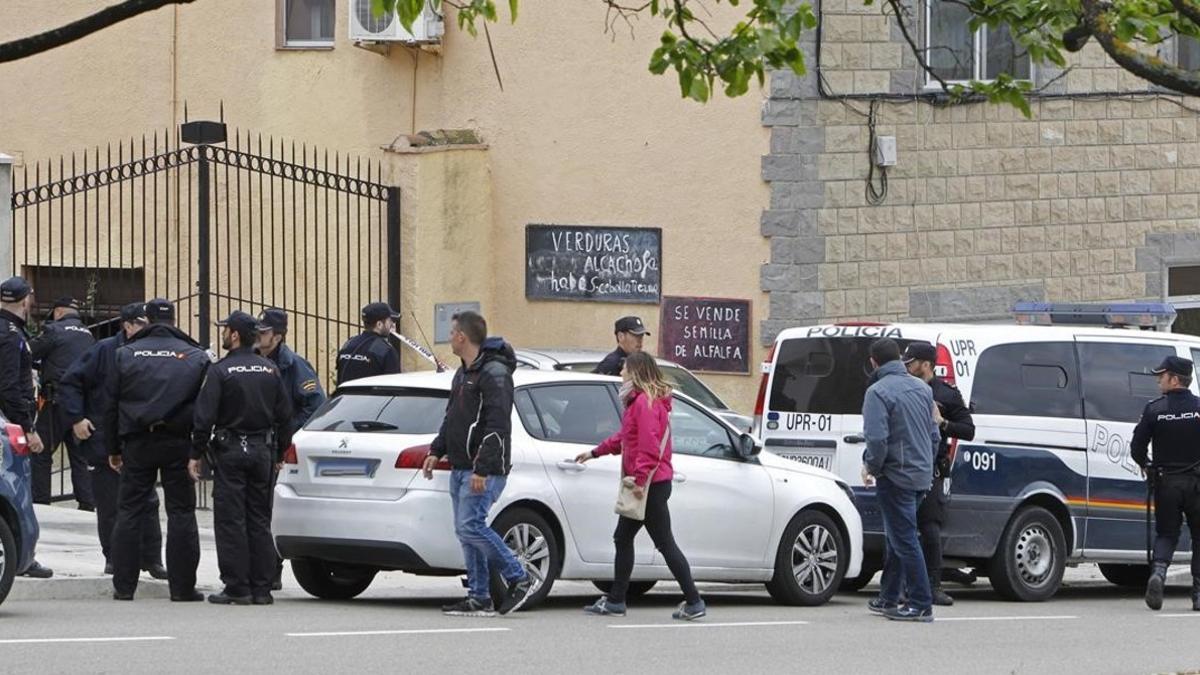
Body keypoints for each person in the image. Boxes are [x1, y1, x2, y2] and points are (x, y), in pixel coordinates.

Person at [577, 351, 707, 621]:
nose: (621, 372)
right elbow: (626, 438)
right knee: (627, 538)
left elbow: (648, 445)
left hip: (650, 484)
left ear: (635, 371)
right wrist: (595, 453)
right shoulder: (642, 402)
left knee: (661, 543)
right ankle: (617, 599)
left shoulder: (645, 403)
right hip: (653, 482)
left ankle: (693, 601)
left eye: (624, 368)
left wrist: (639, 479)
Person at [422, 310, 530, 617]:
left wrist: (482, 468)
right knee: (466, 530)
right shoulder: (463, 373)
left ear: (462, 337)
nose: (449, 337)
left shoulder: (494, 373)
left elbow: (497, 425)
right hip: (459, 465)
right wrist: (436, 449)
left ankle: (519, 577)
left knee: (471, 526)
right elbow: (453, 417)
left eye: (453, 331)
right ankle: (479, 596)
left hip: (483, 469)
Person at [103, 298, 208, 601]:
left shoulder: (124, 354)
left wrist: (113, 447)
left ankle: (124, 588)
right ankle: (182, 588)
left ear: (147, 320)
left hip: (137, 441)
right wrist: (198, 450)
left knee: (130, 512)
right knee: (181, 513)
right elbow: (204, 409)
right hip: (178, 442)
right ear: (174, 320)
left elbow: (110, 406)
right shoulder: (195, 356)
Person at [57, 302, 165, 578]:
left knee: (149, 502)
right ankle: (115, 559)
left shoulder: (150, 350)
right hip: (105, 439)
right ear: (127, 325)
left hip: (139, 439)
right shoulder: (103, 351)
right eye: (142, 323)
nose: (147, 328)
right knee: (109, 503)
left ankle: (152, 559)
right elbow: (70, 382)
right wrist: (76, 418)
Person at [193, 311, 292, 606]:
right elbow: (285, 417)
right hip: (262, 451)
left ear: (235, 335)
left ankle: (237, 587)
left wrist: (195, 453)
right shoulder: (270, 370)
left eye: (226, 330)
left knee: (231, 520)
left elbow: (204, 417)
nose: (223, 334)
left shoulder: (220, 371)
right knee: (259, 519)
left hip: (231, 450)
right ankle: (262, 588)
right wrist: (279, 453)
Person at [861, 337, 940, 622]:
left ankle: (921, 603)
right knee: (899, 537)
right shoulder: (922, 389)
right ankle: (889, 597)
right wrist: (927, 466)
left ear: (874, 362)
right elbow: (934, 435)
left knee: (904, 539)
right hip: (920, 476)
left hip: (896, 476)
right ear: (898, 358)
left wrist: (872, 466)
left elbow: (877, 439)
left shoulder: (877, 392)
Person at [254, 307, 326, 590]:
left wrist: (287, 435)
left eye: (264, 332)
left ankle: (272, 570)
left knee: (270, 509)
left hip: (278, 447)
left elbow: (314, 405)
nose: (259, 336)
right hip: (257, 443)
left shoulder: (294, 365)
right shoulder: (252, 359)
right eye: (257, 331)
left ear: (279, 335)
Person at [902, 341, 975, 607]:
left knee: (930, 527)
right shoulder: (904, 388)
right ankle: (900, 587)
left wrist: (942, 422)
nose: (907, 367)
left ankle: (932, 586)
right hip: (905, 466)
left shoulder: (946, 393)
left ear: (925, 364)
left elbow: (968, 430)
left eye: (911, 363)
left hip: (933, 469)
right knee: (902, 528)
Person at [1131, 355, 1200, 612]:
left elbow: (1136, 448)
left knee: (1167, 534)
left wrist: (1148, 466)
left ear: (1174, 379)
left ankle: (1158, 574)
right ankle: (1198, 595)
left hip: (1166, 483)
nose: (1159, 380)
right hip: (1197, 484)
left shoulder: (1155, 409)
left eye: (1162, 376)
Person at [0, 277, 53, 579]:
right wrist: (27, 428)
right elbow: (9, 388)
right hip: (10, 427)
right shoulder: (10, 335)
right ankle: (24, 554)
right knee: (17, 490)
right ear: (26, 300)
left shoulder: (10, 331)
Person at [30, 296, 96, 510]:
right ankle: (87, 503)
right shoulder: (88, 334)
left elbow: (29, 352)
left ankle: (41, 501)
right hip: (81, 404)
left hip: (55, 401)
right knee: (79, 456)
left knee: (41, 452)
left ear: (58, 312)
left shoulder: (54, 330)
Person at [335, 302, 401, 386]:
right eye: (390, 321)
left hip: (348, 397)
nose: (392, 324)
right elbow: (393, 385)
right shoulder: (386, 350)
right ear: (379, 324)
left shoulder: (348, 344)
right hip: (374, 398)